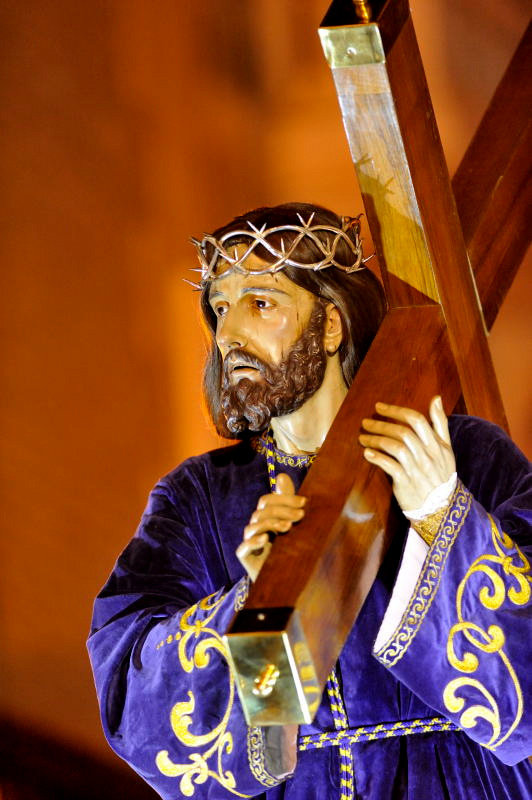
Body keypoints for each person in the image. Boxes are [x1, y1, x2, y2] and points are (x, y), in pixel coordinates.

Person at [88, 203, 532, 799]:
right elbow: (133, 686)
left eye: (260, 304)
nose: (228, 335)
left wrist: (442, 513)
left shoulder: (462, 452)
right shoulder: (198, 499)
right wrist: (257, 603)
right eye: (220, 308)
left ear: (330, 326)